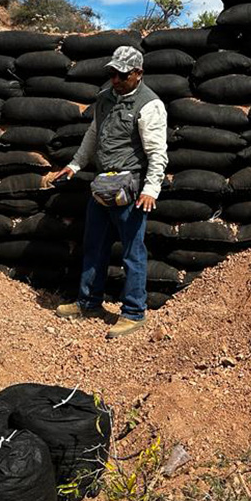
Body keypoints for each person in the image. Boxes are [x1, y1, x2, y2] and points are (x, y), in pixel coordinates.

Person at [50, 45, 169, 338]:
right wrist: (75, 165)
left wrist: (151, 189)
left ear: (138, 74)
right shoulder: (104, 99)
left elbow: (157, 153)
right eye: (113, 73)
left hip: (130, 188)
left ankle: (133, 313)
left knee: (132, 252)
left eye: (123, 75)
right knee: (94, 245)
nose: (116, 80)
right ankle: (89, 302)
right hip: (102, 184)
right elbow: (93, 135)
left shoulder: (149, 105)